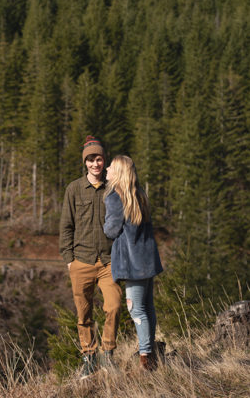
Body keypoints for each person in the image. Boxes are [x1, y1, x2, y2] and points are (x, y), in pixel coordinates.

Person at [59, 136, 122, 377]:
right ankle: (89, 357)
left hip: (109, 262)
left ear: (104, 160)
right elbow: (66, 226)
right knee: (83, 314)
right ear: (85, 162)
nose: (96, 163)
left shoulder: (113, 188)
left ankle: (108, 354)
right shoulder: (74, 189)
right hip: (81, 262)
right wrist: (69, 259)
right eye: (91, 159)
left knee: (114, 306)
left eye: (99, 159)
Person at [103, 155, 164, 372]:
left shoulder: (114, 197)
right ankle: (150, 351)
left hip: (132, 264)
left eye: (110, 166)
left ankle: (146, 357)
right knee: (148, 306)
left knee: (135, 309)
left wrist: (105, 225)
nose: (107, 168)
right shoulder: (140, 194)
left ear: (118, 172)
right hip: (147, 260)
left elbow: (111, 230)